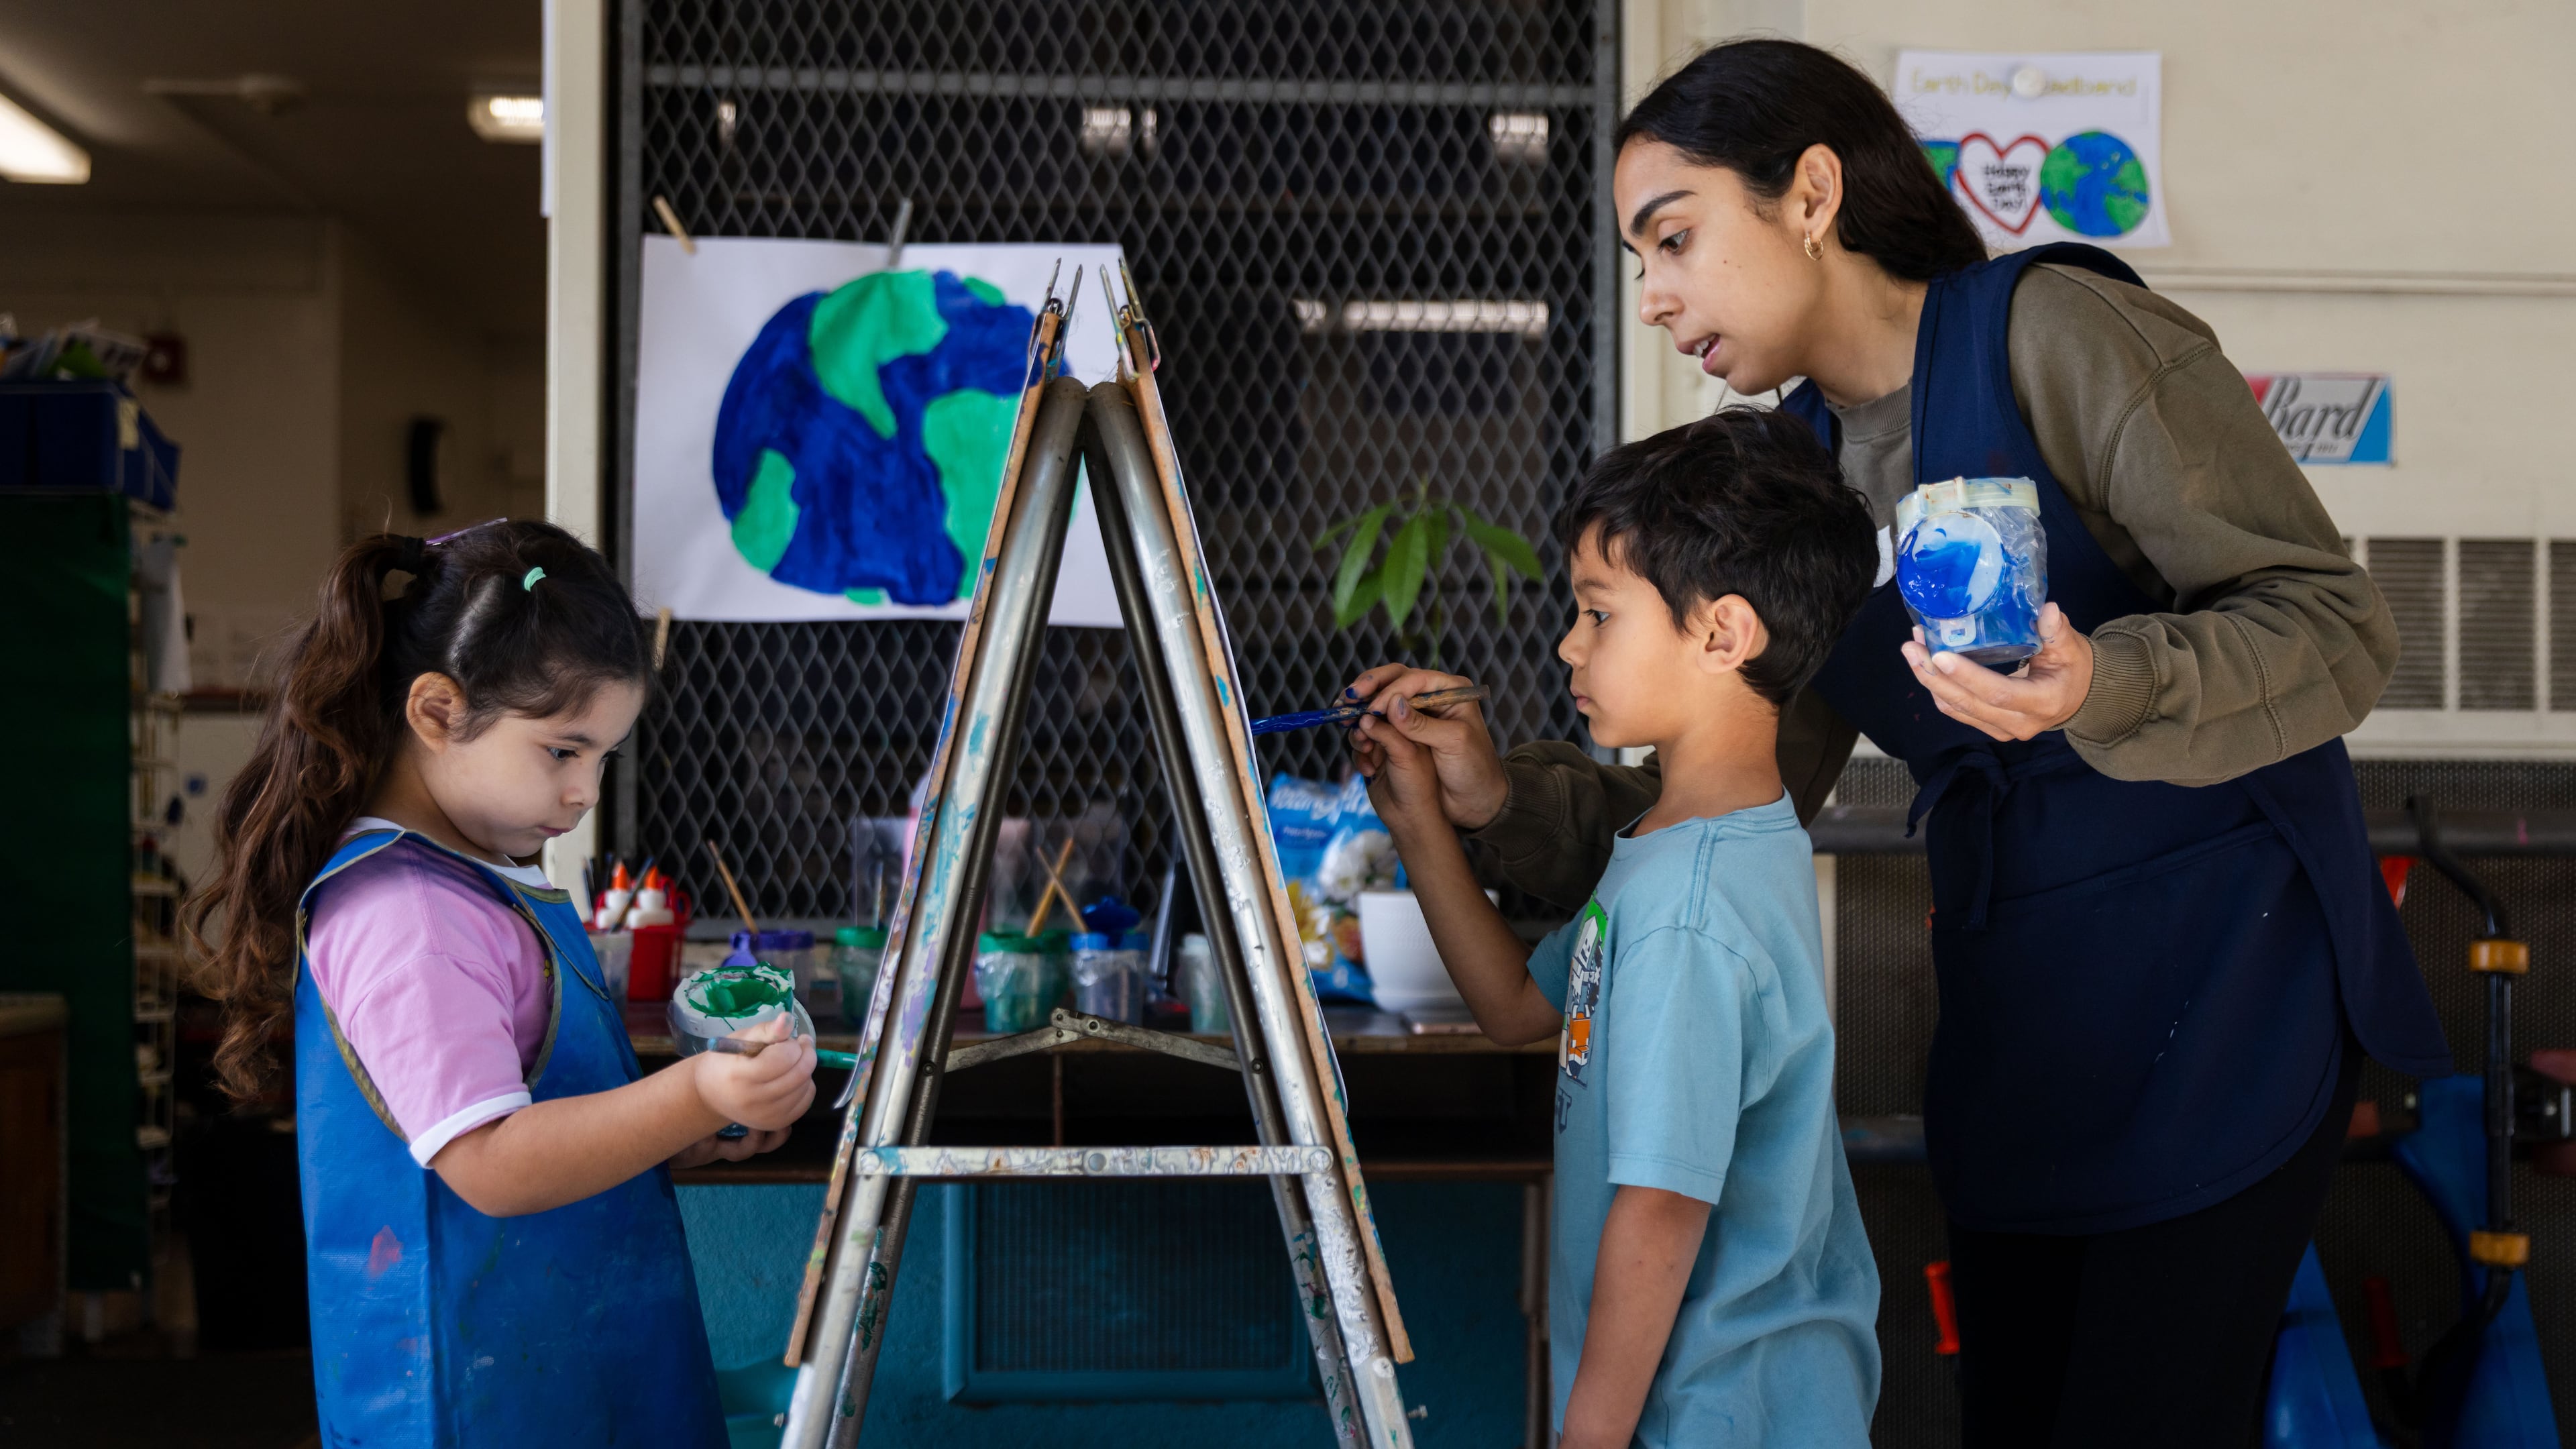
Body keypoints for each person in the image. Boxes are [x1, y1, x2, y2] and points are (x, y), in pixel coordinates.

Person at [1347, 37, 2449, 1449]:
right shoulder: (1795, 473)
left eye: (1676, 238)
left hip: (2222, 981)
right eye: (1640, 258)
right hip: (2023, 1000)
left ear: (1811, 192)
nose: (1658, 294)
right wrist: (1496, 797)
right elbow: (1736, 770)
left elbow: (2337, 629)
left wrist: (2097, 684)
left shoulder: (2056, 334)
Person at [184, 520, 816, 1448]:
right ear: (438, 712)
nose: (585, 793)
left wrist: (682, 1137)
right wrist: (694, 1089)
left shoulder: (478, 886)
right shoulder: (408, 917)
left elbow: (549, 1118)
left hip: (563, 1376)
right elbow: (487, 1161)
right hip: (475, 1404)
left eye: (605, 758)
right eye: (563, 751)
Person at [1357, 408, 1883, 1448]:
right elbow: (1518, 1010)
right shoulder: (1675, 847)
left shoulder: (1691, 912)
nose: (1568, 645)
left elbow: (1661, 1214)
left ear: (1724, 634)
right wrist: (1420, 823)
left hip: (1722, 1416)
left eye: (1600, 613)